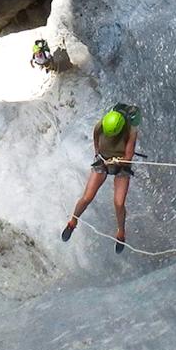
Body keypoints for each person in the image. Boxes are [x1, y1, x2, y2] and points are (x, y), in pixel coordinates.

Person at [62, 104, 140, 253]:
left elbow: (129, 156)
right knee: (87, 197)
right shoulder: (101, 125)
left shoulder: (131, 131)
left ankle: (121, 233)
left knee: (119, 203)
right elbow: (96, 138)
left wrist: (118, 161)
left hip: (121, 165)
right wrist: (98, 154)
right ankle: (73, 221)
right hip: (103, 160)